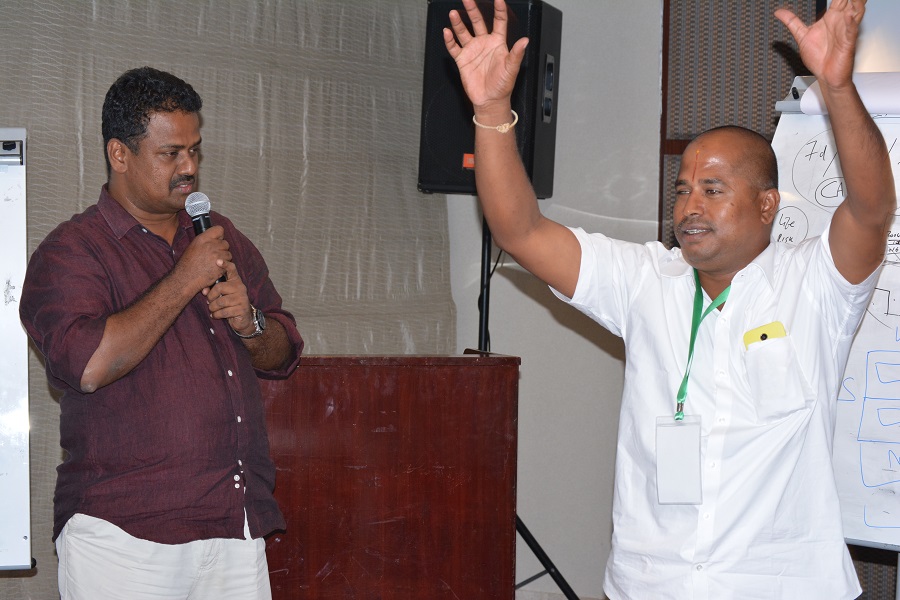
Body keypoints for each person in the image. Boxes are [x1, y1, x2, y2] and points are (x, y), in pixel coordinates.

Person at [444, 0, 894, 598]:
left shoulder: (815, 285)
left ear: (767, 205)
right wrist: (491, 111)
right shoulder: (645, 281)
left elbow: (871, 209)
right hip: (650, 583)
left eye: (713, 189)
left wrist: (836, 87)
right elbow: (520, 231)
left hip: (781, 585)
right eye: (682, 190)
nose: (689, 207)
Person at [19, 67, 304, 599]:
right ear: (119, 154)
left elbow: (283, 353)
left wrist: (251, 324)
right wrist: (185, 277)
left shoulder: (219, 236)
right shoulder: (72, 251)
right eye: (170, 153)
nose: (189, 167)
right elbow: (87, 365)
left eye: (194, 150)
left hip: (234, 524)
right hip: (124, 537)